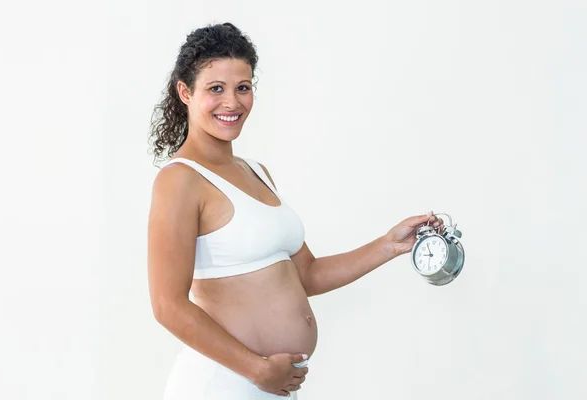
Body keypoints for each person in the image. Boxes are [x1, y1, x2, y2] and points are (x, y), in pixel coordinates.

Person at [147, 22, 443, 399]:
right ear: (185, 92)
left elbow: (308, 274)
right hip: (224, 383)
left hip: (271, 385)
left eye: (243, 88)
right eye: (215, 89)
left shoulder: (256, 172)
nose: (232, 103)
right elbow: (166, 305)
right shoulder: (180, 181)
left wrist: (390, 244)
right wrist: (256, 369)